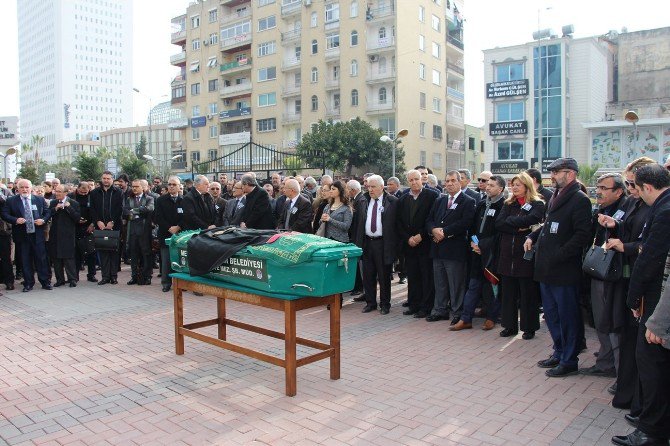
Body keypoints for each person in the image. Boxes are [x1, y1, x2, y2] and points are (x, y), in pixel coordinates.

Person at [612, 163, 670, 446]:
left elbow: (650, 260)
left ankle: (652, 432)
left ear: (647, 187)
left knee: (652, 366)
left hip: (658, 302)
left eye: (636, 186)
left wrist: (633, 298)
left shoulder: (664, 209)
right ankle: (651, 421)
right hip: (657, 297)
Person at [525, 158, 592, 377]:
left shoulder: (579, 199)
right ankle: (559, 351)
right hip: (547, 269)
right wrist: (533, 235)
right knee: (552, 316)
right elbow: (548, 224)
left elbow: (583, 235)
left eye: (556, 172)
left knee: (567, 316)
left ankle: (569, 359)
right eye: (551, 172)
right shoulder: (556, 195)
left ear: (570, 174)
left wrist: (559, 254)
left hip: (563, 271)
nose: (552, 176)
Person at [599, 157, 654, 411]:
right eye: (629, 183)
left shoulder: (656, 207)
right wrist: (615, 225)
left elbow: (648, 244)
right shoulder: (635, 202)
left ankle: (638, 399)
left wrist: (625, 245)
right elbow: (631, 228)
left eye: (634, 184)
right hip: (624, 276)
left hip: (638, 279)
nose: (631, 189)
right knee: (625, 335)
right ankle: (627, 392)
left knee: (638, 343)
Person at [579, 173, 628, 379]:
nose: (598, 191)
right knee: (600, 319)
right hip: (597, 269)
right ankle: (606, 360)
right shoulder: (599, 210)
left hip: (614, 274)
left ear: (618, 191)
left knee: (611, 321)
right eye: (597, 187)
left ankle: (616, 368)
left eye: (603, 188)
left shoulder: (627, 209)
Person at [451, 175, 507, 331]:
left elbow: (500, 234)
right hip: (476, 252)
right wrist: (473, 243)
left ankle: (492, 318)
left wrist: (483, 245)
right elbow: (473, 227)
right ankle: (466, 318)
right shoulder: (482, 204)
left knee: (492, 287)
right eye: (487, 184)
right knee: (473, 286)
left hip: (492, 255)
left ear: (501, 189)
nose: (487, 187)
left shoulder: (504, 206)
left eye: (492, 185)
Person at [494, 172, 545, 338]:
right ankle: (509, 326)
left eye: (518, 185)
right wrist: (519, 227)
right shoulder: (508, 203)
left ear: (527, 186)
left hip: (525, 255)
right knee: (508, 293)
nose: (514, 187)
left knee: (527, 293)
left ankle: (529, 328)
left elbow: (534, 219)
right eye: (513, 184)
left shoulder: (537, 203)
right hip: (507, 254)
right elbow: (499, 223)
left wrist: (513, 223)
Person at [425, 170, 476, 324]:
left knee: (456, 284)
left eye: (453, 180)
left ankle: (457, 312)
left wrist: (445, 232)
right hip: (437, 248)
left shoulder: (468, 201)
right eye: (447, 181)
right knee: (439, 282)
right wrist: (433, 230)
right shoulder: (440, 200)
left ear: (460, 182)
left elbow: (465, 222)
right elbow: (429, 219)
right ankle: (440, 310)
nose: (449, 184)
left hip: (454, 249)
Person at [396, 169, 439, 318]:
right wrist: (408, 238)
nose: (414, 182)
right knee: (413, 276)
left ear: (422, 179)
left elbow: (433, 218)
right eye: (411, 180)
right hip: (409, 245)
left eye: (416, 179)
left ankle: (426, 307)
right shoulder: (403, 198)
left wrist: (421, 235)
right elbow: (399, 222)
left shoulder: (433, 196)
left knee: (426, 277)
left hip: (425, 243)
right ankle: (413, 305)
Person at [354, 175, 398, 315]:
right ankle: (371, 302)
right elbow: (358, 223)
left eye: (373, 187)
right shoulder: (363, 200)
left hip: (383, 243)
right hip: (367, 242)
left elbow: (397, 225)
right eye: (368, 187)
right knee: (368, 274)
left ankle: (385, 304)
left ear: (381, 187)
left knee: (384, 275)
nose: (370, 189)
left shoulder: (392, 201)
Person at [0, 179, 52, 292]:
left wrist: (43, 220)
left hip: (37, 234)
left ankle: (45, 282)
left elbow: (48, 212)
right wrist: (15, 220)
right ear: (17, 189)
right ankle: (28, 283)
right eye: (22, 187)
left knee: (41, 259)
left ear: (31, 188)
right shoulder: (11, 200)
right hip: (22, 235)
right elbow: (4, 214)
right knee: (25, 260)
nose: (24, 189)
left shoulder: (38, 199)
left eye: (27, 187)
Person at [90, 171, 125, 285]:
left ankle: (113, 277)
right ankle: (105, 277)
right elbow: (93, 209)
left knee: (114, 252)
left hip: (114, 226)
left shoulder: (118, 192)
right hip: (100, 226)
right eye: (104, 178)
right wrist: (97, 221)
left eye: (108, 178)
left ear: (112, 179)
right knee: (103, 251)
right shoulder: (95, 192)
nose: (106, 180)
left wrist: (113, 222)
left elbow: (120, 208)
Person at [154, 177, 184, 292]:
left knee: (179, 259)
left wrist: (178, 226)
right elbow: (158, 217)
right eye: (170, 184)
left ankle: (180, 282)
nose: (171, 186)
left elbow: (186, 216)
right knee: (166, 260)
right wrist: (169, 228)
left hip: (180, 235)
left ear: (179, 186)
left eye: (174, 184)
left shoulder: (184, 199)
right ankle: (166, 283)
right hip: (165, 233)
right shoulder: (161, 200)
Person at [48, 185, 81, 287]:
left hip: (68, 235)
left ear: (66, 193)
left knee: (68, 258)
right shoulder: (53, 202)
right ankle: (60, 279)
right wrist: (55, 209)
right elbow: (47, 214)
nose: (57, 193)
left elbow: (77, 218)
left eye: (59, 192)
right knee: (56, 258)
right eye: (56, 191)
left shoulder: (73, 203)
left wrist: (68, 207)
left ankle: (72, 279)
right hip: (55, 234)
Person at [123, 180, 155, 285]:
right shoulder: (129, 199)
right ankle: (134, 277)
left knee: (146, 255)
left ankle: (147, 277)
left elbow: (149, 209)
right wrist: (139, 211)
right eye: (133, 186)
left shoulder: (149, 198)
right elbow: (126, 212)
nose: (134, 188)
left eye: (137, 186)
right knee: (134, 255)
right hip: (132, 232)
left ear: (143, 187)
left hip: (145, 232)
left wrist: (134, 211)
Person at [69, 181, 97, 282]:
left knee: (91, 252)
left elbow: (96, 211)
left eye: (86, 192)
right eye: (82, 192)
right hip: (75, 227)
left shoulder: (92, 196)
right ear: (78, 188)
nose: (84, 194)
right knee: (76, 253)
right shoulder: (71, 196)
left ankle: (91, 275)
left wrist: (93, 224)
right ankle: (74, 275)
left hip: (89, 227)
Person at [347, 179, 365, 298]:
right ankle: (358, 287)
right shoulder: (355, 200)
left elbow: (359, 222)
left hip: (357, 238)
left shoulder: (361, 200)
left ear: (353, 190)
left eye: (347, 190)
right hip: (354, 237)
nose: (346, 192)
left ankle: (360, 288)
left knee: (360, 266)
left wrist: (357, 241)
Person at [0, 193, 15, 290]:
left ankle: (9, 281)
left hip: (3, 232)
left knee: (6, 257)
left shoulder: (3, 198)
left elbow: (6, 213)